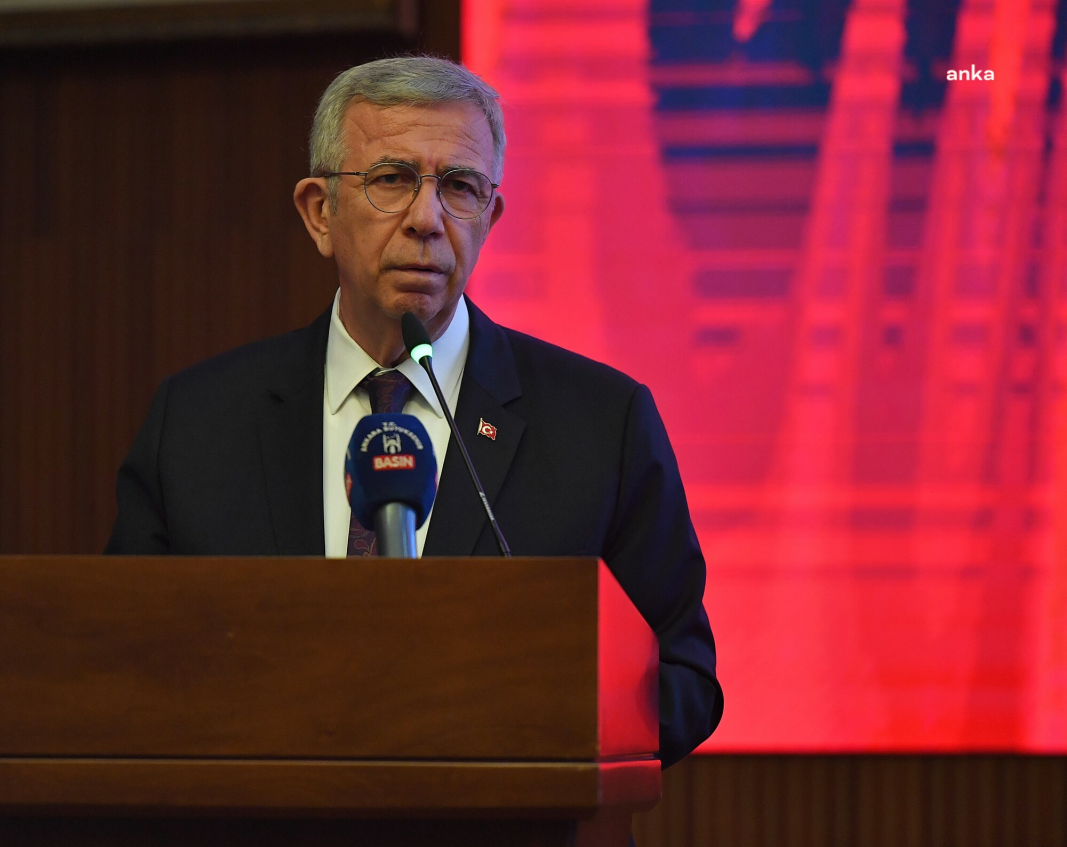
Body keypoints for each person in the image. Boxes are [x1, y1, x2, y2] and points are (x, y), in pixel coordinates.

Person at [106, 56, 722, 767]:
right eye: (392, 179)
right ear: (320, 212)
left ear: (489, 218)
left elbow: (683, 679)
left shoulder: (601, 425)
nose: (427, 220)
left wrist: (521, 716)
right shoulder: (197, 424)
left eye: (459, 187)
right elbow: (126, 663)